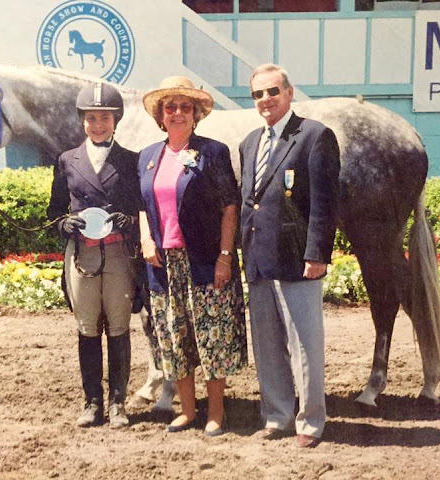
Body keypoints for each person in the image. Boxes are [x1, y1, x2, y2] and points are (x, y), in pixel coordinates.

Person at [138, 76, 248, 437]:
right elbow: (142, 205)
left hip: (203, 259)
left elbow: (229, 207)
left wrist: (225, 256)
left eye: (185, 107)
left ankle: (215, 412)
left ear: (196, 114)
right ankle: (187, 411)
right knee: (175, 337)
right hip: (163, 263)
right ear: (160, 115)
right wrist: (146, 240)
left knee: (211, 336)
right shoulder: (148, 157)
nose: (178, 113)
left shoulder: (213, 152)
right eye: (170, 107)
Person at [239, 64, 340, 448]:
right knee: (267, 347)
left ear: (289, 92)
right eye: (258, 94)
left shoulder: (314, 136)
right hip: (259, 260)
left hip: (298, 260)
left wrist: (317, 254)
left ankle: (310, 423)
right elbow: (250, 201)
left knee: (305, 348)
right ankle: (277, 416)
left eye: (272, 91)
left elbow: (324, 203)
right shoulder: (249, 142)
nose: (265, 100)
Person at [47, 82, 141, 429]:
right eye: (91, 118)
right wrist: (64, 224)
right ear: (82, 121)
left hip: (117, 253)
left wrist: (130, 221)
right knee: (87, 327)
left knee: (118, 325)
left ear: (116, 120)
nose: (98, 125)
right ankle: (92, 402)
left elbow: (141, 209)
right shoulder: (67, 160)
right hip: (82, 255)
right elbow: (54, 210)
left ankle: (118, 402)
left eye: (104, 118)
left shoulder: (131, 160)